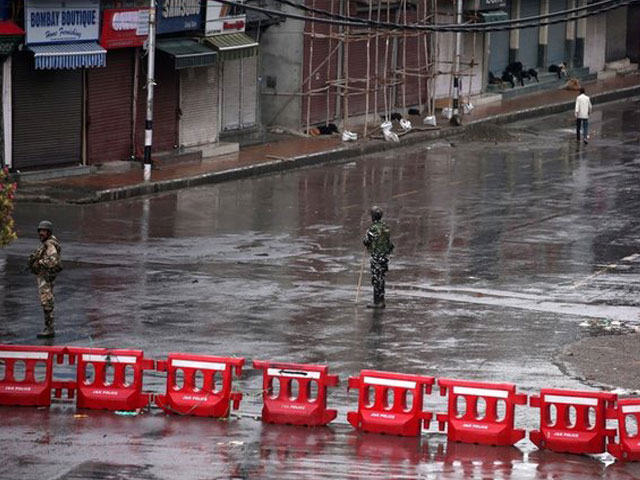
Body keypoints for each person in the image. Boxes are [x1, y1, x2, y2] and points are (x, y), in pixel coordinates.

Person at [27, 221, 62, 338]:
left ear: (49, 232)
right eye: (40, 231)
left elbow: (53, 261)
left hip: (46, 278)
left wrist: (38, 263)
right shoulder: (47, 244)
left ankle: (49, 328)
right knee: (46, 302)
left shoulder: (50, 245)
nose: (41, 233)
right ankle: (48, 327)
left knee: (47, 302)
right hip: (44, 277)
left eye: (44, 231)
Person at [363, 206, 394, 309]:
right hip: (385, 256)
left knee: (377, 278)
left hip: (377, 256)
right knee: (381, 277)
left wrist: (367, 236)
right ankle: (381, 299)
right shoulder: (385, 227)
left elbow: (366, 241)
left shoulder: (373, 229)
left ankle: (377, 302)